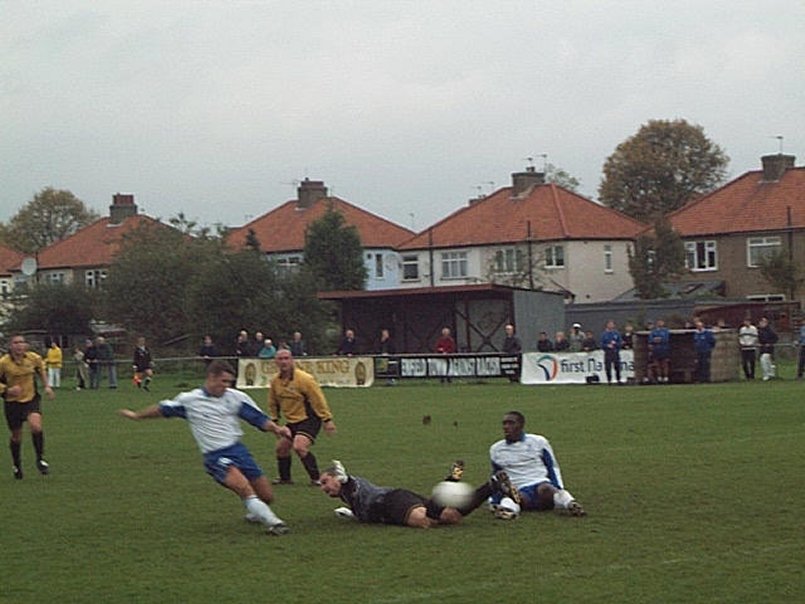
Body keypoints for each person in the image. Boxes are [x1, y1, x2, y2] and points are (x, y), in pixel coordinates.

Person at [118, 359, 291, 536]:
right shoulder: (190, 400)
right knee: (243, 486)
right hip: (215, 456)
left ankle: (257, 511)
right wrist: (137, 415)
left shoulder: (235, 397)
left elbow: (257, 418)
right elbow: (162, 409)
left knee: (267, 496)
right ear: (211, 377)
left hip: (239, 451)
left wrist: (276, 429)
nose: (226, 386)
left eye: (229, 382)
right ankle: (275, 523)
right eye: (223, 381)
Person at [319, 459, 517, 529]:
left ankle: (448, 485)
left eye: (326, 481)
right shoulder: (344, 495)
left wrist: (347, 481)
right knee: (452, 517)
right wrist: (352, 513)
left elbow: (358, 488)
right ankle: (491, 486)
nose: (323, 488)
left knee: (425, 521)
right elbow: (358, 502)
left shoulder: (351, 484)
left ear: (338, 477)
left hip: (391, 502)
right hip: (394, 503)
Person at [489, 411, 586, 517]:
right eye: (504, 423)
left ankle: (571, 504)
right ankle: (508, 511)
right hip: (519, 488)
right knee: (513, 498)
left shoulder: (538, 442)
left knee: (547, 489)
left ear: (521, 425)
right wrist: (493, 500)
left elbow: (552, 466)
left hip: (540, 485)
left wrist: (558, 486)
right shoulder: (496, 449)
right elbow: (496, 476)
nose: (506, 427)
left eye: (511, 423)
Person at [269, 348, 336, 485]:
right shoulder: (275, 381)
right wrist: (274, 421)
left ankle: (316, 478)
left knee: (299, 446)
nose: (283, 362)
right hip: (292, 420)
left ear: (292, 360)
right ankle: (285, 479)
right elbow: (273, 402)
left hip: (309, 419)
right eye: (280, 359)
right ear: (275, 361)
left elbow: (318, 399)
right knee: (281, 448)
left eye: (286, 358)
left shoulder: (305, 379)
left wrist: (327, 420)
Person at [0, 333, 55, 479]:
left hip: (31, 399)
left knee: (36, 426)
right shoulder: (4, 363)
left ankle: (40, 459)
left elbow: (41, 371)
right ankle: (17, 465)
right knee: (16, 436)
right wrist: (7, 390)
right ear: (10, 346)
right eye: (16, 343)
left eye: (22, 342)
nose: (19, 345)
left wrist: (47, 386)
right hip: (12, 403)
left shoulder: (33, 358)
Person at [693, 319, 716, 383]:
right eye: (697, 326)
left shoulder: (707, 333)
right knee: (699, 365)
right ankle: (700, 379)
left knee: (706, 365)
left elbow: (713, 341)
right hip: (698, 352)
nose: (698, 327)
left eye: (700, 326)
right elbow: (695, 342)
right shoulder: (696, 334)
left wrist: (709, 348)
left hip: (706, 352)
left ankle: (707, 379)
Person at [648, 319, 671, 384]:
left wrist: (658, 339)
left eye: (661, 322)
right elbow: (650, 340)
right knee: (657, 364)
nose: (660, 323)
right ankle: (659, 377)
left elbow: (666, 339)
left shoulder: (665, 331)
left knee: (665, 364)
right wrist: (656, 340)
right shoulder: (653, 331)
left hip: (664, 349)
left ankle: (666, 377)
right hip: (656, 350)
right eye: (658, 322)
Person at [600, 320, 622, 384]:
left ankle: (618, 379)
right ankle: (609, 380)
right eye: (609, 324)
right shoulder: (604, 334)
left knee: (617, 366)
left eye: (612, 324)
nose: (611, 326)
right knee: (608, 367)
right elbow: (601, 344)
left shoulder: (616, 333)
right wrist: (607, 345)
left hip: (615, 352)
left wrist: (615, 344)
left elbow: (620, 343)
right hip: (608, 353)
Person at [757, 317, 778, 381]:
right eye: (761, 322)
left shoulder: (770, 330)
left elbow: (775, 338)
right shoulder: (759, 331)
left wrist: (770, 343)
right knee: (767, 361)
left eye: (763, 322)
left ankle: (766, 375)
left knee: (764, 359)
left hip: (768, 348)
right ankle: (771, 374)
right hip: (762, 348)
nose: (761, 323)